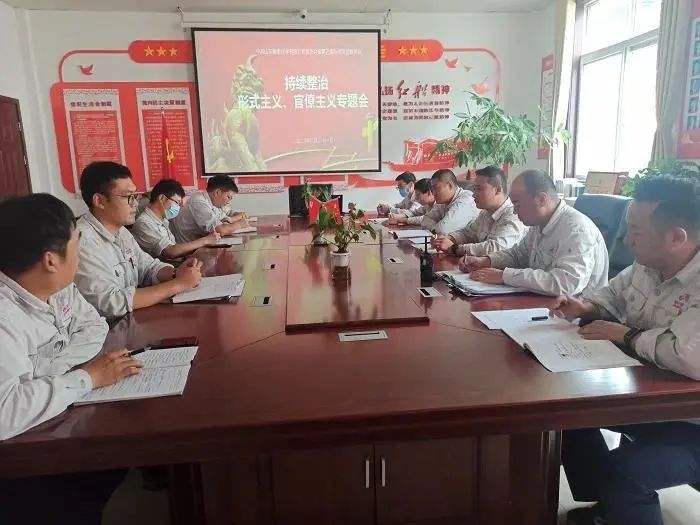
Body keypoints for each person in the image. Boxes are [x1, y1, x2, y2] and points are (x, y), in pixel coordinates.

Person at [551, 175, 700, 525]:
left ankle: (617, 495)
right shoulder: (647, 265)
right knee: (564, 416)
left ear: (676, 238)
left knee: (623, 471)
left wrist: (626, 335)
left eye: (635, 231)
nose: (624, 238)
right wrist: (587, 307)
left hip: (692, 423)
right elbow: (611, 296)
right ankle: (607, 505)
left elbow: (689, 356)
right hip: (653, 403)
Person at [0, 193, 143, 524]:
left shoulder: (58, 286)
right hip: (15, 459)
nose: (80, 254)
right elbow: (6, 411)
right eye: (76, 245)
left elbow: (94, 327)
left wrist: (48, 373)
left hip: (48, 415)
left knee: (114, 454)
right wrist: (87, 377)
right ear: (51, 260)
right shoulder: (5, 317)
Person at [75, 161, 203, 320]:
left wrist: (176, 273)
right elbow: (111, 303)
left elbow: (148, 267)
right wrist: (178, 284)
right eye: (128, 197)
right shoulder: (81, 241)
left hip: (133, 319)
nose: (136, 203)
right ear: (99, 201)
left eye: (135, 196)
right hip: (110, 329)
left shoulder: (122, 232)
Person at [461, 169, 608, 296]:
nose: (514, 211)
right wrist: (486, 261)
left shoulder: (576, 230)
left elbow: (566, 284)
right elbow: (518, 255)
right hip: (541, 302)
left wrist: (504, 276)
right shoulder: (539, 224)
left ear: (542, 199)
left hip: (575, 313)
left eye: (517, 204)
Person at [432, 165, 526, 256]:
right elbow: (467, 234)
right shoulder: (485, 213)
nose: (474, 194)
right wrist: (448, 239)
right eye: (474, 189)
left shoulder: (514, 215)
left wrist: (455, 248)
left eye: (479, 189)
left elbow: (495, 248)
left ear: (498, 190)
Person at [132, 178, 221, 259]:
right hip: (166, 269)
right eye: (176, 202)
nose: (178, 207)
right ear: (162, 198)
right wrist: (205, 241)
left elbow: (174, 248)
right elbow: (170, 252)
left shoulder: (163, 219)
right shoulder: (144, 223)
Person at [171, 174, 249, 243]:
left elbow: (229, 213)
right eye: (228, 197)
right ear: (217, 192)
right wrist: (240, 224)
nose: (229, 202)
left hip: (203, 245)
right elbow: (219, 230)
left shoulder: (215, 202)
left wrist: (235, 217)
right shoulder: (198, 202)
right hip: (190, 251)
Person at [416, 169, 478, 235]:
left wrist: (435, 228)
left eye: (436, 188)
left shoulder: (464, 202)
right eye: (432, 189)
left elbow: (442, 230)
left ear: (450, 185)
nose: (433, 193)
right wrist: (436, 227)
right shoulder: (443, 201)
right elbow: (425, 220)